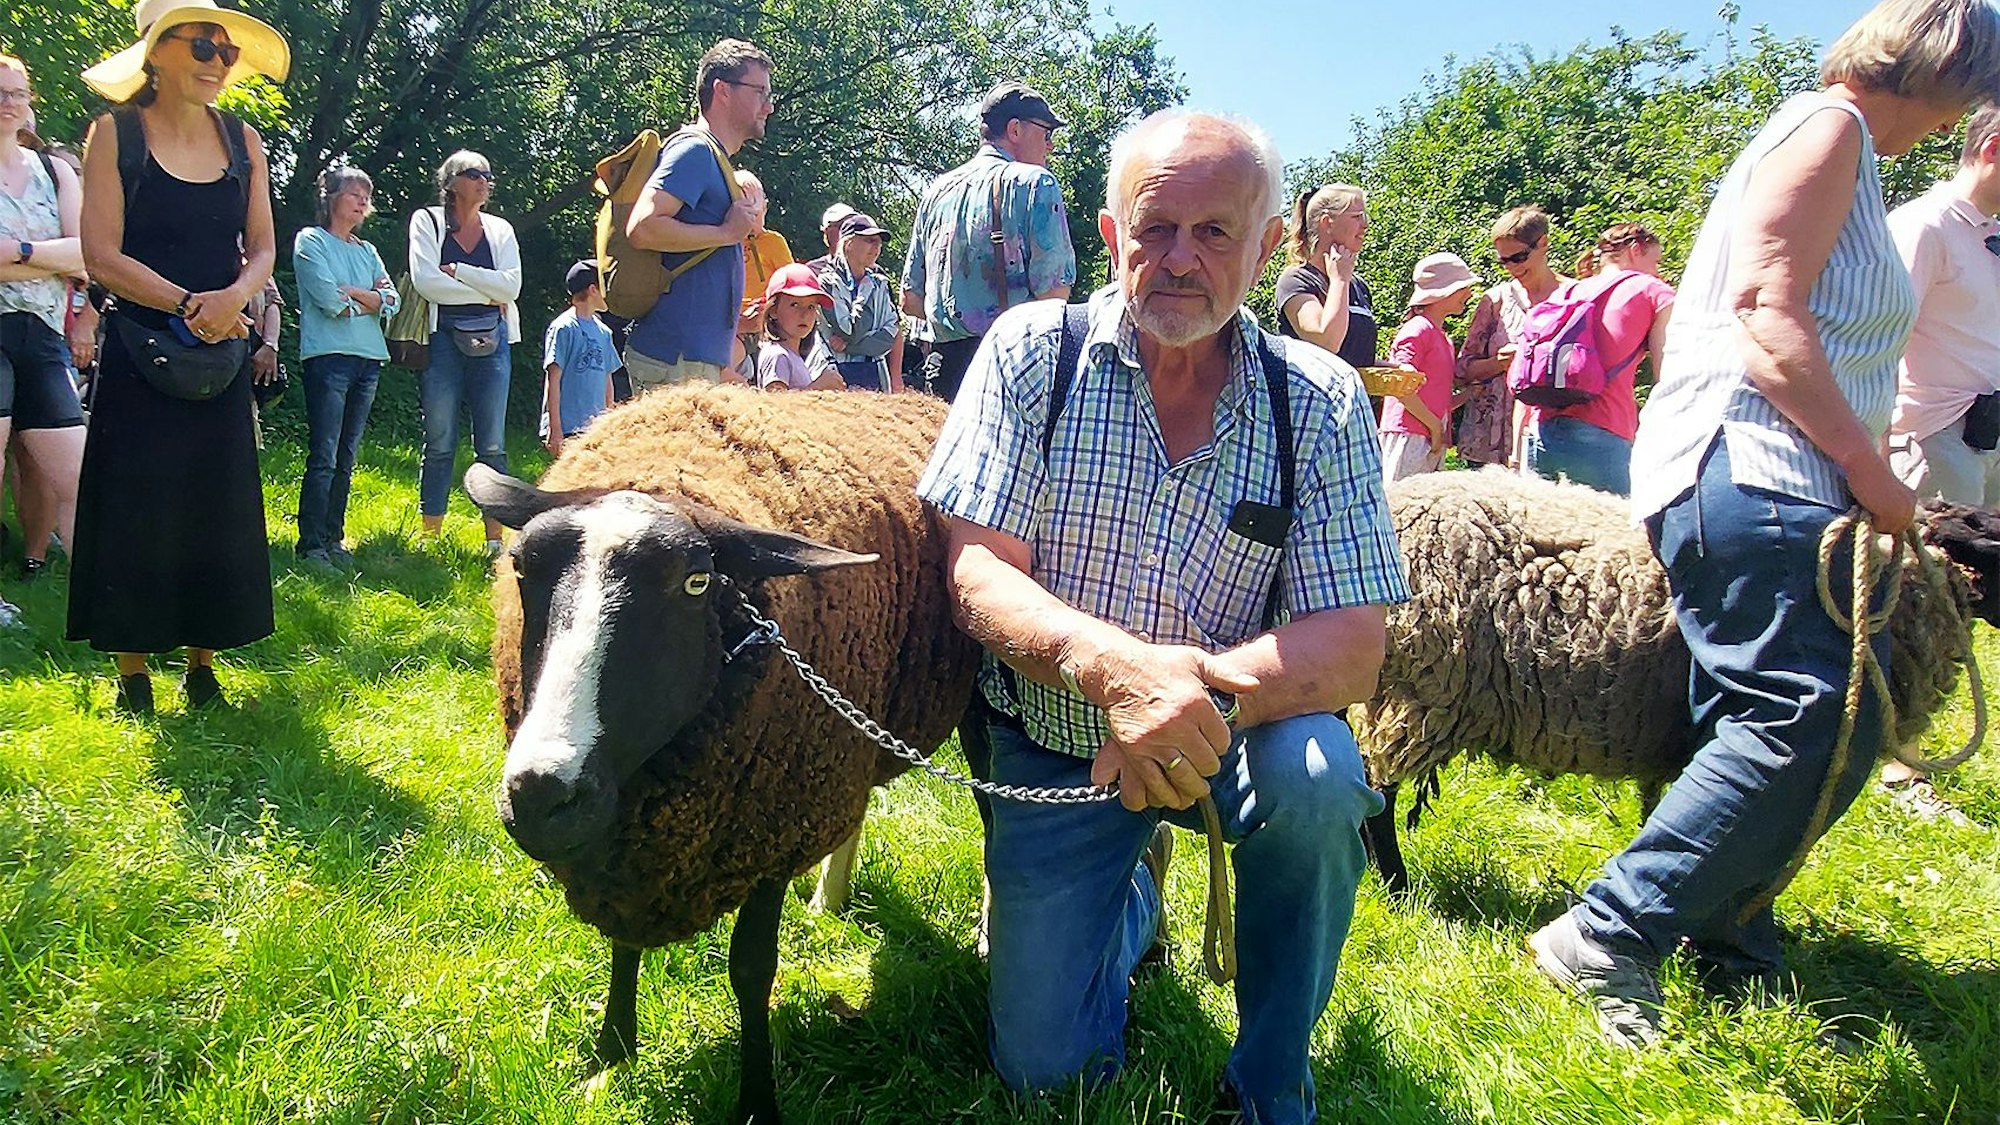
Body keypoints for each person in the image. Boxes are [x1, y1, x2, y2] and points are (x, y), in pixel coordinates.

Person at [917, 110, 1405, 1125]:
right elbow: (975, 573)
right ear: (1109, 234)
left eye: (1215, 232)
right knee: (1042, 1078)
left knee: (1318, 780)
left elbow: (1352, 646)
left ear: (1268, 245)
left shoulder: (1317, 400)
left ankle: (1268, 1083)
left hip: (1238, 735)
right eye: (1154, 229)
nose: (1179, 259)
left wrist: (1173, 696)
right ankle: (1131, 895)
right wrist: (1109, 673)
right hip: (1055, 745)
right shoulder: (1027, 354)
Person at [1530, 0, 2000, 1050]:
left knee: (1740, 714)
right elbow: (1764, 312)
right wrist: (1865, 468)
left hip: (1759, 470)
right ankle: (1610, 927)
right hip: (1757, 465)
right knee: (1816, 712)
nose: (1964, 110)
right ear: (1944, 69)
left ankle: (1727, 941)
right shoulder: (1824, 128)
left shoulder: (1842, 151)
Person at [72, 0, 291, 713]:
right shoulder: (113, 135)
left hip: (221, 347)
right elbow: (101, 254)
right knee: (137, 505)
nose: (218, 64)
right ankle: (133, 674)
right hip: (140, 346)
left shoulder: (244, 141)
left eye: (226, 53)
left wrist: (235, 300)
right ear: (157, 53)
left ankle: (202, 665)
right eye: (203, 47)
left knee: (213, 505)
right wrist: (188, 303)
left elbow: (263, 247)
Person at [1877, 101, 2000, 824]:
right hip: (1929, 440)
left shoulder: (1991, 237)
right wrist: (1883, 454)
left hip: (1985, 438)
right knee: (1921, 608)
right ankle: (1900, 768)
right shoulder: (1924, 226)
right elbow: (1879, 339)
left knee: (1972, 609)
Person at [901, 81, 1076, 402]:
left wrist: (961, 316)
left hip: (942, 372)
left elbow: (911, 298)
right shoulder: (1036, 183)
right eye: (1046, 133)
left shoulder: (935, 191)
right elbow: (1054, 296)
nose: (1050, 145)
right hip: (1015, 370)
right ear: (1015, 130)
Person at [623, 38, 772, 390]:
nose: (768, 106)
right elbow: (642, 227)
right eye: (760, 93)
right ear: (722, 90)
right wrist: (726, 233)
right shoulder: (694, 151)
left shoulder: (712, 158)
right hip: (674, 361)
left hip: (688, 360)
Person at [1, 55, 87, 606]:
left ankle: (109, 600)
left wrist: (20, 252)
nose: (8, 102)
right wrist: (53, 258)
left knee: (79, 477)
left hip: (42, 336)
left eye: (18, 92)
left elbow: (87, 254)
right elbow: (68, 256)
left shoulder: (56, 173)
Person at [409, 149, 520, 556]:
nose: (485, 181)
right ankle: (429, 539)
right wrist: (487, 289)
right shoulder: (428, 221)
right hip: (442, 340)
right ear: (451, 182)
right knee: (439, 440)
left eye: (489, 175)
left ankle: (496, 543)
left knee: (492, 446)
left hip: (495, 342)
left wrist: (463, 273)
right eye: (475, 173)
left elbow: (511, 289)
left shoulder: (501, 229)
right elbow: (426, 283)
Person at [291, 164, 395, 571]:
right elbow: (330, 302)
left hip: (369, 359)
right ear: (331, 198)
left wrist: (357, 295)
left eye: (366, 195)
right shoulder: (310, 241)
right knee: (325, 455)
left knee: (347, 455)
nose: (363, 201)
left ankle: (334, 538)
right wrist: (369, 299)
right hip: (328, 358)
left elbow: (394, 302)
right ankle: (311, 545)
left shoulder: (367, 250)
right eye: (354, 194)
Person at [1522, 224, 1676, 496]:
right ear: (1636, 249)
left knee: (1544, 534)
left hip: (1542, 429)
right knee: (1611, 534)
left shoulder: (1567, 291)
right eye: (1656, 261)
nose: (1657, 271)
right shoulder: (1654, 290)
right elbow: (1669, 374)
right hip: (1604, 429)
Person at [1456, 205, 1568, 468]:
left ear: (1543, 243)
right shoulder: (1495, 301)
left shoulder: (1573, 297)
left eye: (1518, 257)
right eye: (1503, 261)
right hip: (1489, 442)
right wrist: (1499, 363)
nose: (1511, 267)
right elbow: (1462, 369)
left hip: (1550, 433)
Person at [1381, 252, 1476, 482]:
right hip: (1409, 435)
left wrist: (1469, 395)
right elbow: (1400, 385)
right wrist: (1435, 428)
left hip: (1430, 437)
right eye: (1462, 287)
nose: (1468, 294)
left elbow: (1436, 399)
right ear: (1442, 291)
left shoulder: (1443, 337)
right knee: (1399, 506)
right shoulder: (1417, 329)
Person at [1274, 183, 1377, 370]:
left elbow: (1355, 360)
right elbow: (1326, 342)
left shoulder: (1358, 286)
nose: (1365, 225)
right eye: (1357, 217)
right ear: (1327, 222)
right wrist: (1339, 279)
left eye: (1365, 217)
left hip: (1356, 399)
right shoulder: (1296, 280)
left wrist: (1395, 369)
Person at [813, 211, 901, 391]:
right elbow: (849, 330)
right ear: (849, 244)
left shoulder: (881, 284)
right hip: (835, 373)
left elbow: (890, 334)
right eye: (869, 240)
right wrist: (865, 291)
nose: (876, 247)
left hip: (875, 373)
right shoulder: (827, 282)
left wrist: (850, 347)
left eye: (879, 242)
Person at [541, 260, 616, 457]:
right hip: (568, 427)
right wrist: (555, 429)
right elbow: (553, 379)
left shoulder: (604, 332)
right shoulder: (564, 328)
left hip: (597, 428)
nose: (610, 292)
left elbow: (607, 382)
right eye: (605, 286)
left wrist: (610, 423)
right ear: (593, 290)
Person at [756, 263, 841, 391]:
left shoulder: (793, 356)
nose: (804, 314)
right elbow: (775, 405)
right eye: (795, 304)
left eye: (811, 307)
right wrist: (818, 387)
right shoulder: (778, 355)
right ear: (773, 310)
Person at [806, 202, 855, 272]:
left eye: (852, 226)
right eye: (842, 225)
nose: (848, 231)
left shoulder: (870, 271)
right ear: (827, 231)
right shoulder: (813, 270)